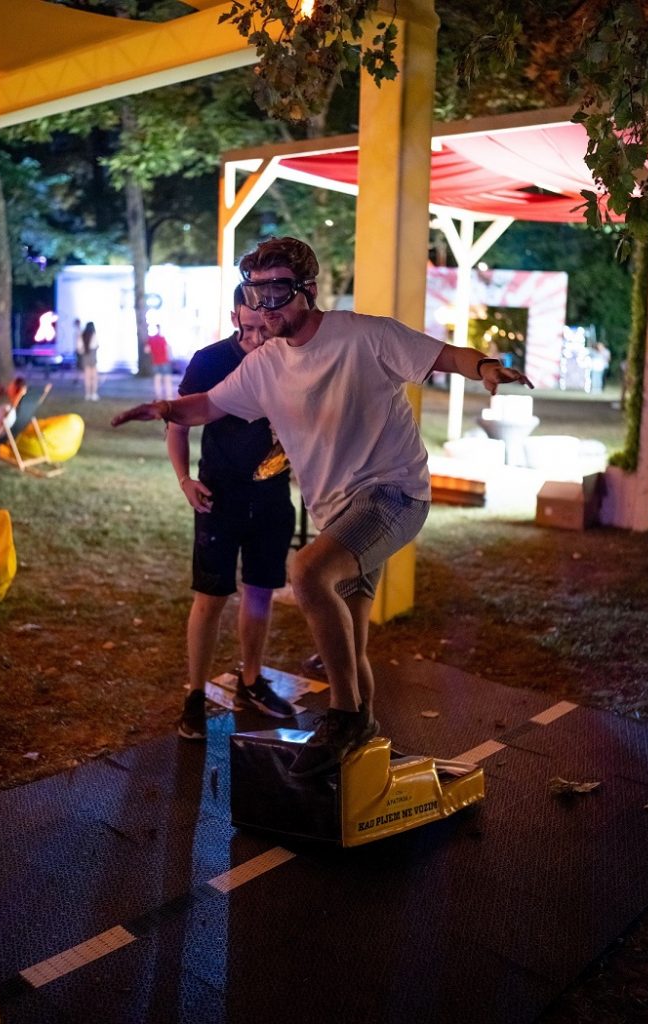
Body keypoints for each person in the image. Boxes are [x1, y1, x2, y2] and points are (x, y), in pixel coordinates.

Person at [113, 236, 533, 777]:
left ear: (308, 290)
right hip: (339, 512)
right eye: (256, 293)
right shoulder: (265, 365)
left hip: (394, 494)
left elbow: (442, 355)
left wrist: (486, 367)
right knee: (351, 647)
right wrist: (166, 407)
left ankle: (343, 717)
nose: (267, 306)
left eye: (279, 292)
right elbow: (210, 405)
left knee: (307, 570)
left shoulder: (363, 335)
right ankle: (363, 737)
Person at [167, 286, 297, 739]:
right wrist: (185, 480)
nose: (258, 337)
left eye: (266, 327)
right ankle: (195, 697)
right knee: (211, 597)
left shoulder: (290, 357)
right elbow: (178, 426)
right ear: (234, 316)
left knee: (260, 592)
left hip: (273, 496)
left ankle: (251, 681)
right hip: (218, 495)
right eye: (248, 327)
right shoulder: (210, 360)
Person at [0, 376, 26, 444]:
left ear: (15, 389)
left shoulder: (10, 412)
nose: (9, 385)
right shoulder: (7, 407)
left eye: (11, 384)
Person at [145, 325, 174, 401]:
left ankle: (158, 397)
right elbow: (167, 348)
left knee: (157, 380)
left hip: (155, 362)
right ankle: (169, 397)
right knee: (167, 379)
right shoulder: (162, 338)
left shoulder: (150, 339)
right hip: (165, 361)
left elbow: (146, 350)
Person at [79, 321, 99, 401]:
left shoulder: (82, 335)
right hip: (92, 357)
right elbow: (97, 345)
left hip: (85, 357)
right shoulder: (94, 335)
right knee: (94, 377)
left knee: (87, 377)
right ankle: (93, 394)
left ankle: (87, 394)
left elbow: (79, 348)